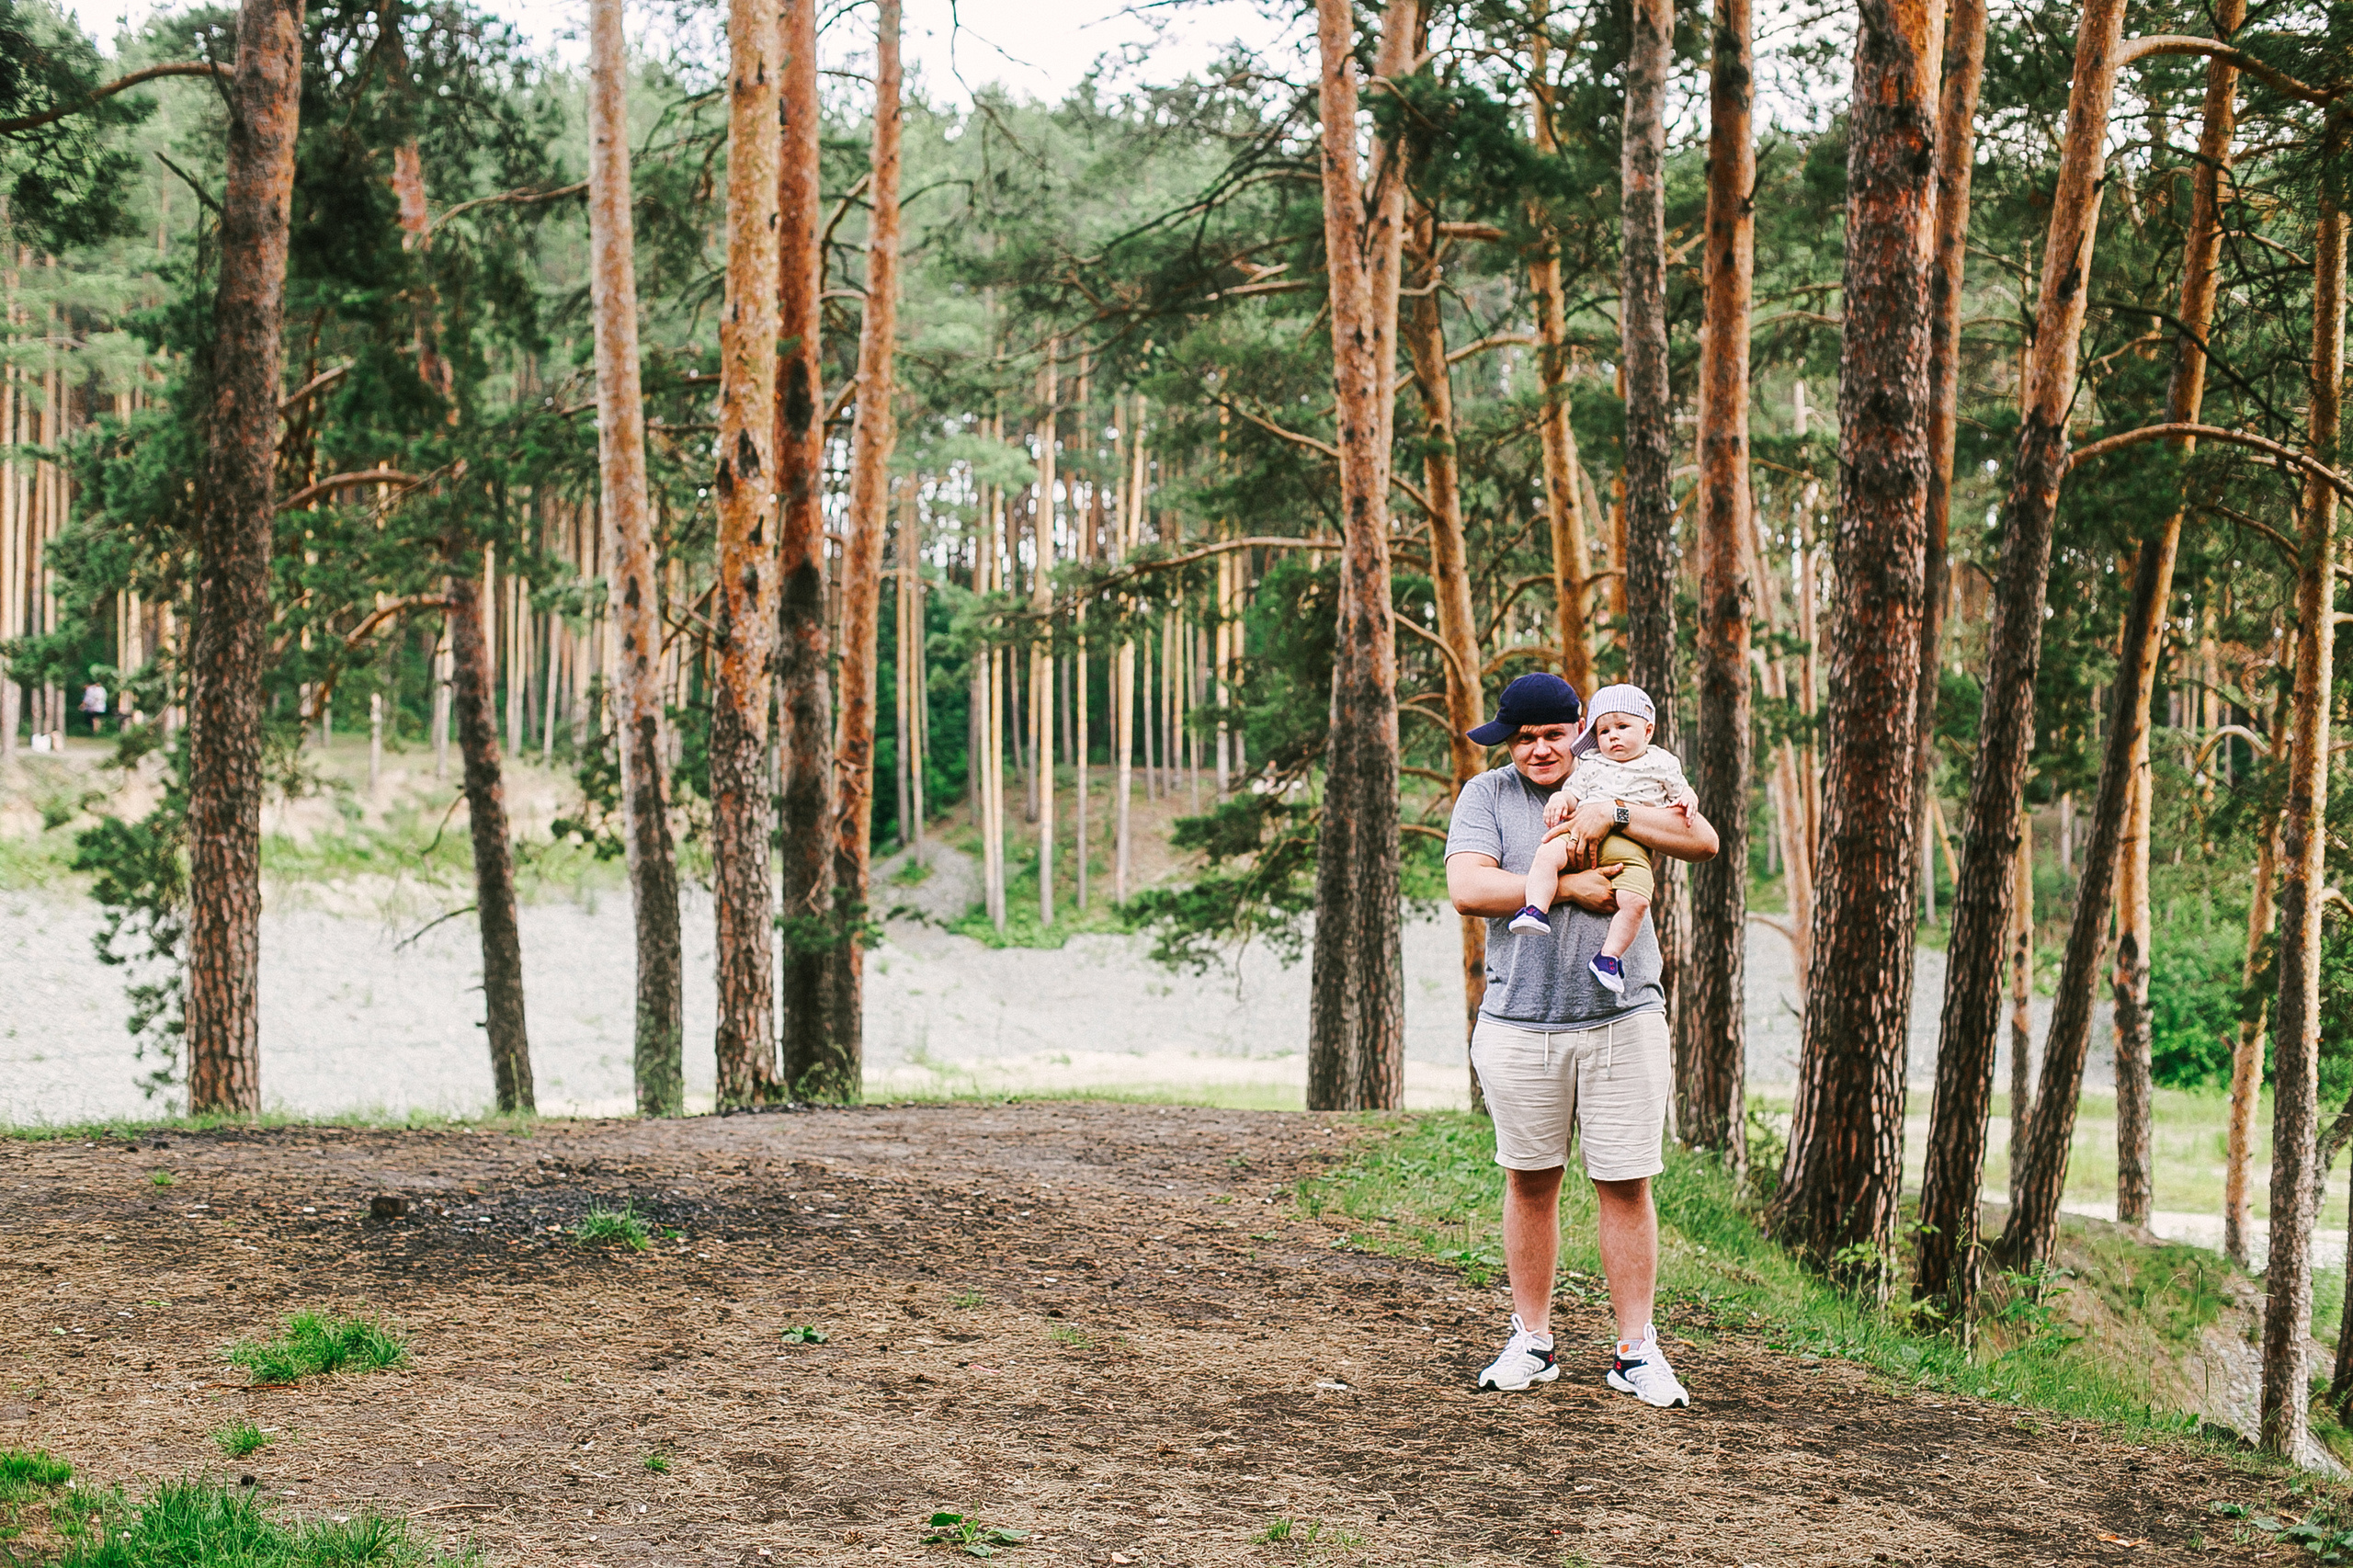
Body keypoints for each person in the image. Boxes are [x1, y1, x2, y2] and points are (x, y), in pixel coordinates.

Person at [1444, 671, 1718, 1405]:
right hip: (1518, 1020)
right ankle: (1532, 1340)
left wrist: (1617, 810)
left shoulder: (1628, 777)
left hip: (1624, 1017)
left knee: (1625, 1182)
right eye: (1522, 739)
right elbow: (1470, 890)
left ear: (1582, 731)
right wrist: (1567, 888)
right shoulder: (1488, 797)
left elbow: (1704, 842)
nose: (1537, 751)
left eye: (1551, 736)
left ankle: (1636, 1352)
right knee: (1530, 1182)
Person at [1508, 683, 1695, 999]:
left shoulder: (1663, 764)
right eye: (1605, 731)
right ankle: (1535, 909)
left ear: (1648, 730)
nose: (1613, 736)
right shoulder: (1593, 763)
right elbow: (1572, 791)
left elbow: (1698, 829)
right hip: (1576, 833)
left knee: (1636, 901)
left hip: (1630, 850)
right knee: (1547, 854)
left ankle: (1608, 958)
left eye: (1623, 727)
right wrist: (1561, 801)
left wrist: (1685, 798)